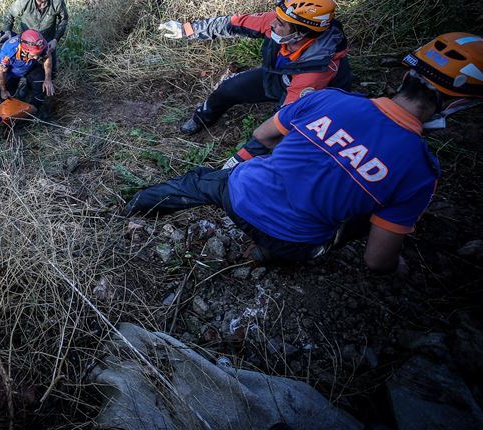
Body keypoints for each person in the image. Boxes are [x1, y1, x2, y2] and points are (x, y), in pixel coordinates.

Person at [124, 32, 483, 273]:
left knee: (198, 181)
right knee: (365, 218)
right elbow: (377, 261)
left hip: (237, 193)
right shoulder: (421, 171)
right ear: (458, 104)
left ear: (406, 75)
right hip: (294, 241)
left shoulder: (329, 99)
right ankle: (270, 256)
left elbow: (263, 136)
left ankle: (135, 205)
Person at [160, 0, 352, 134]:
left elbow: (285, 119)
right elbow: (233, 23)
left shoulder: (316, 71)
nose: (273, 24)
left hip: (313, 97)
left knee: (283, 132)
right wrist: (187, 30)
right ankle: (201, 118)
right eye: (277, 17)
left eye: (281, 23)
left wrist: (245, 154)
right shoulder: (282, 25)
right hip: (280, 75)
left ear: (301, 33)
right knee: (229, 88)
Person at [2, 0, 68, 72]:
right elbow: (10, 14)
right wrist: (7, 31)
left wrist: (55, 39)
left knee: (51, 73)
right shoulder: (24, 1)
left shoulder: (57, 1)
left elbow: (64, 20)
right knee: (27, 72)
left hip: (47, 43)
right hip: (28, 45)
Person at [0, 29, 54, 119]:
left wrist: (48, 79)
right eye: (33, 55)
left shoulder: (41, 44)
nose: (36, 57)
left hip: (30, 67)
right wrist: (3, 90)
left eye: (38, 54)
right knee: (7, 96)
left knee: (41, 84)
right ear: (24, 49)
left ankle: (33, 110)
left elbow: (47, 57)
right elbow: (1, 72)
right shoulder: (8, 52)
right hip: (11, 72)